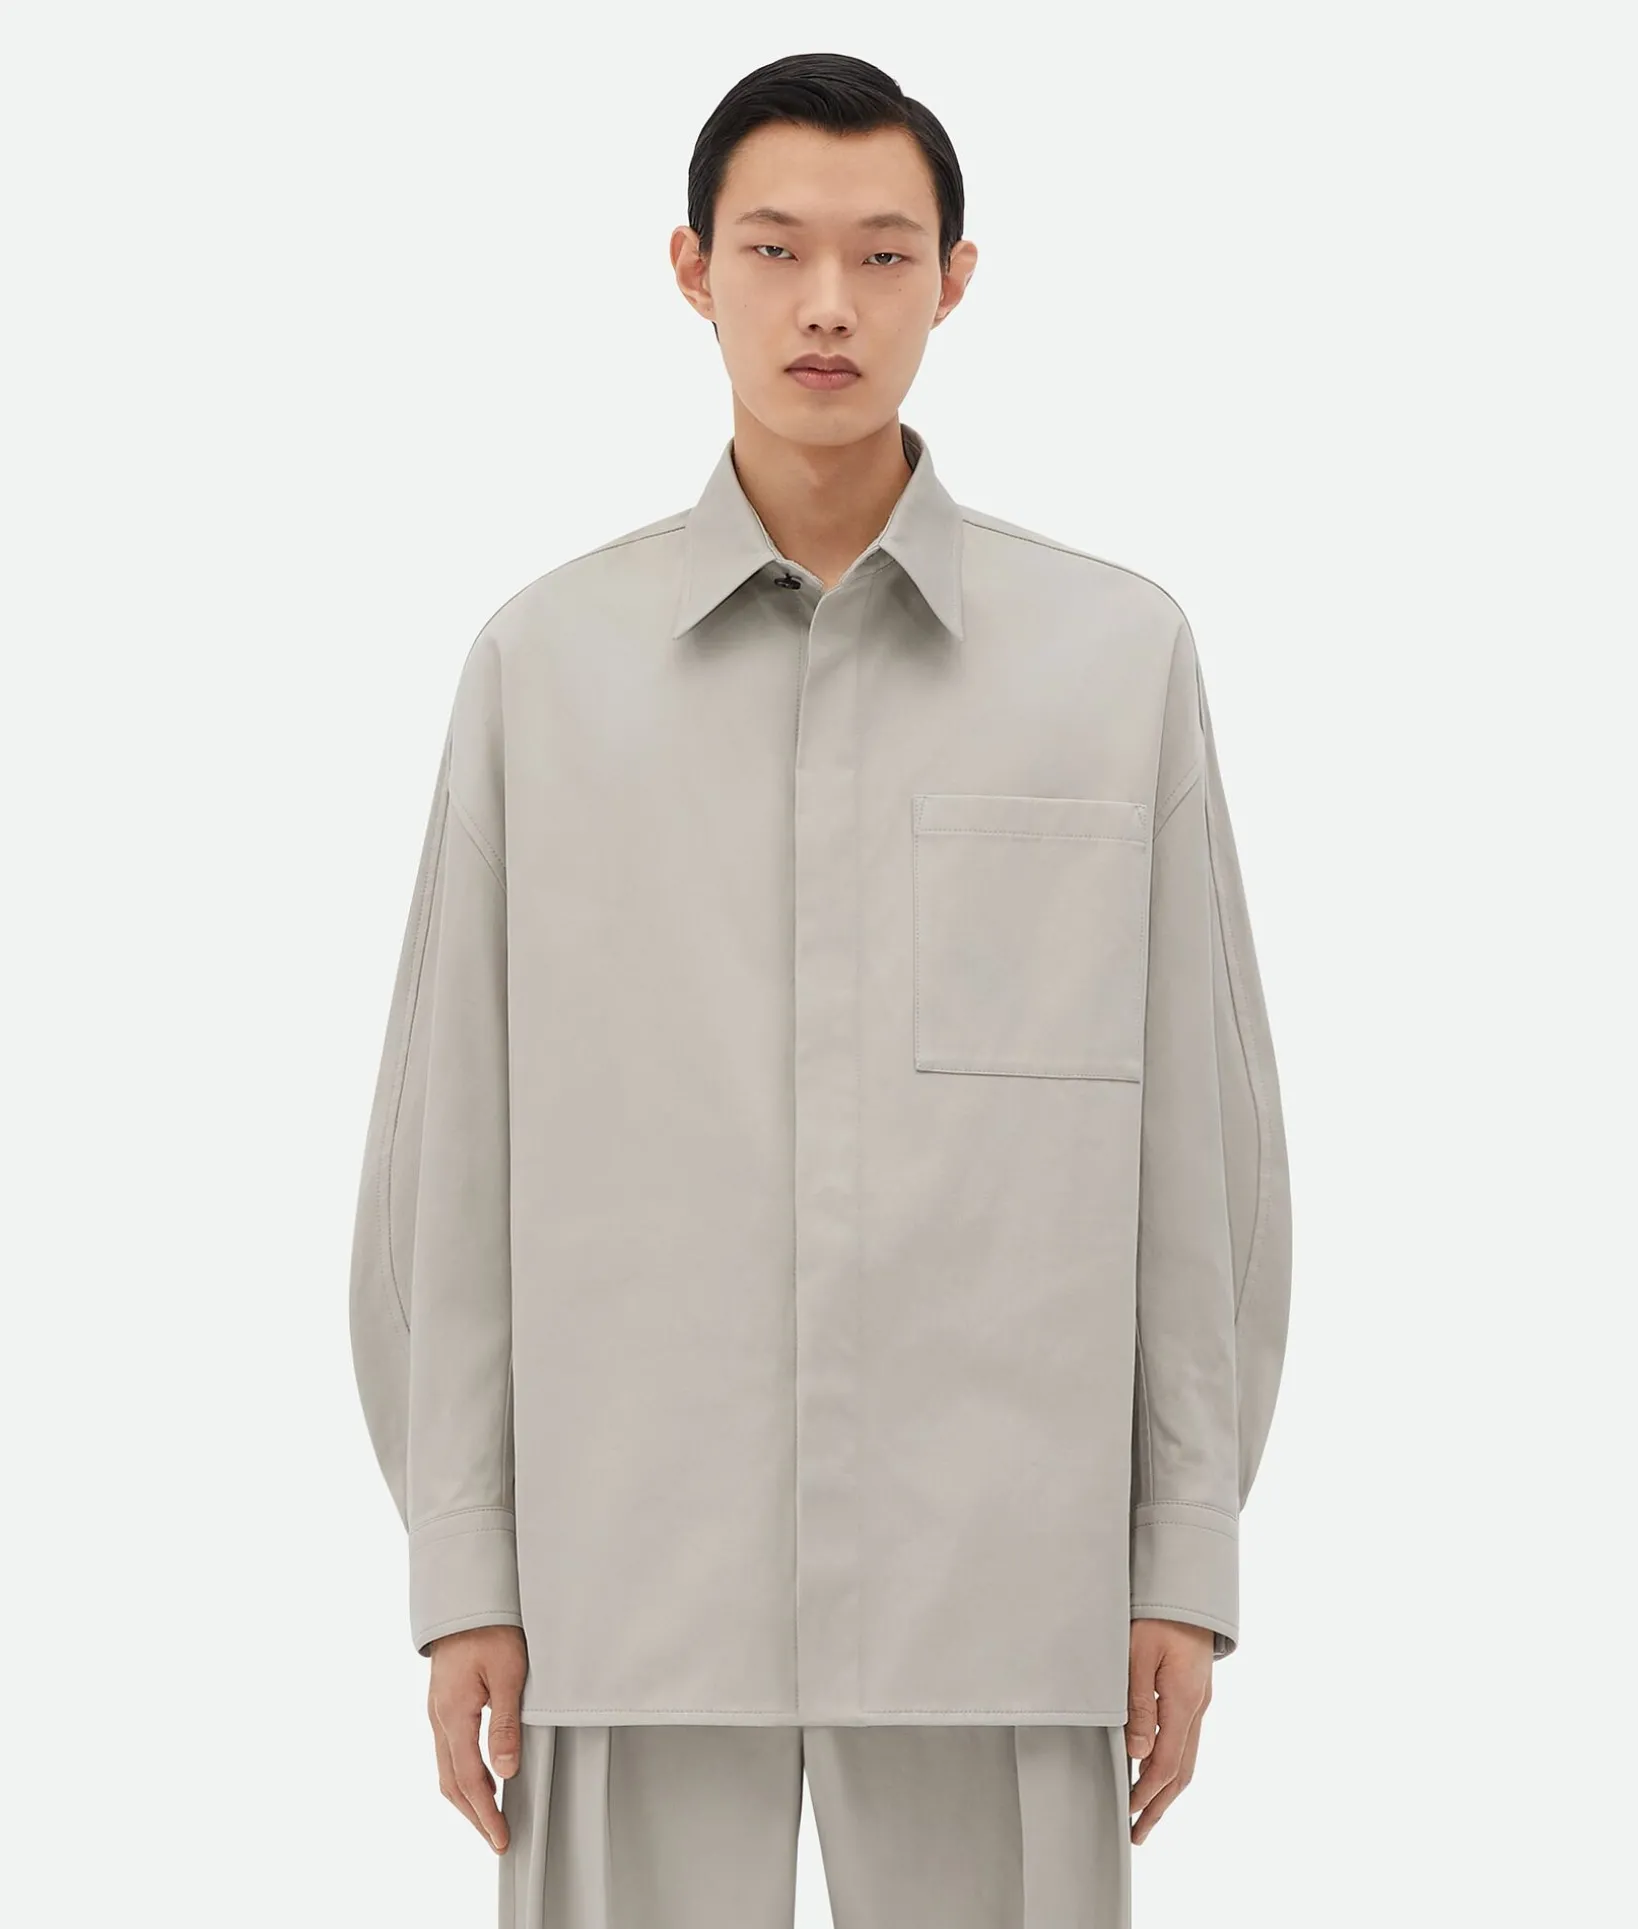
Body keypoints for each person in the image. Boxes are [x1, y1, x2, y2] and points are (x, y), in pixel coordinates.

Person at [349, 49, 1292, 1929]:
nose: (828, 305)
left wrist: (1180, 1547)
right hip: (628, 1576)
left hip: (1001, 1578)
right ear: (691, 269)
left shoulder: (1113, 661)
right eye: (776, 250)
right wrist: (466, 1560)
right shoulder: (544, 668)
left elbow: (1204, 1152)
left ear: (957, 279)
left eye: (883, 253)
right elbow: (445, 1156)